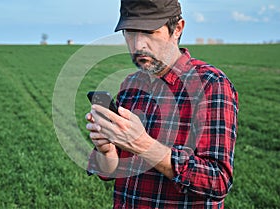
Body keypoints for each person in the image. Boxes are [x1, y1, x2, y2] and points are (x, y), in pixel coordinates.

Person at [85, 0, 239, 208]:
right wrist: (106, 151)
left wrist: (142, 144)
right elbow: (109, 171)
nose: (138, 44)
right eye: (130, 32)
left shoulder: (210, 84)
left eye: (149, 32)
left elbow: (217, 182)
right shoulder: (130, 84)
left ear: (177, 29)